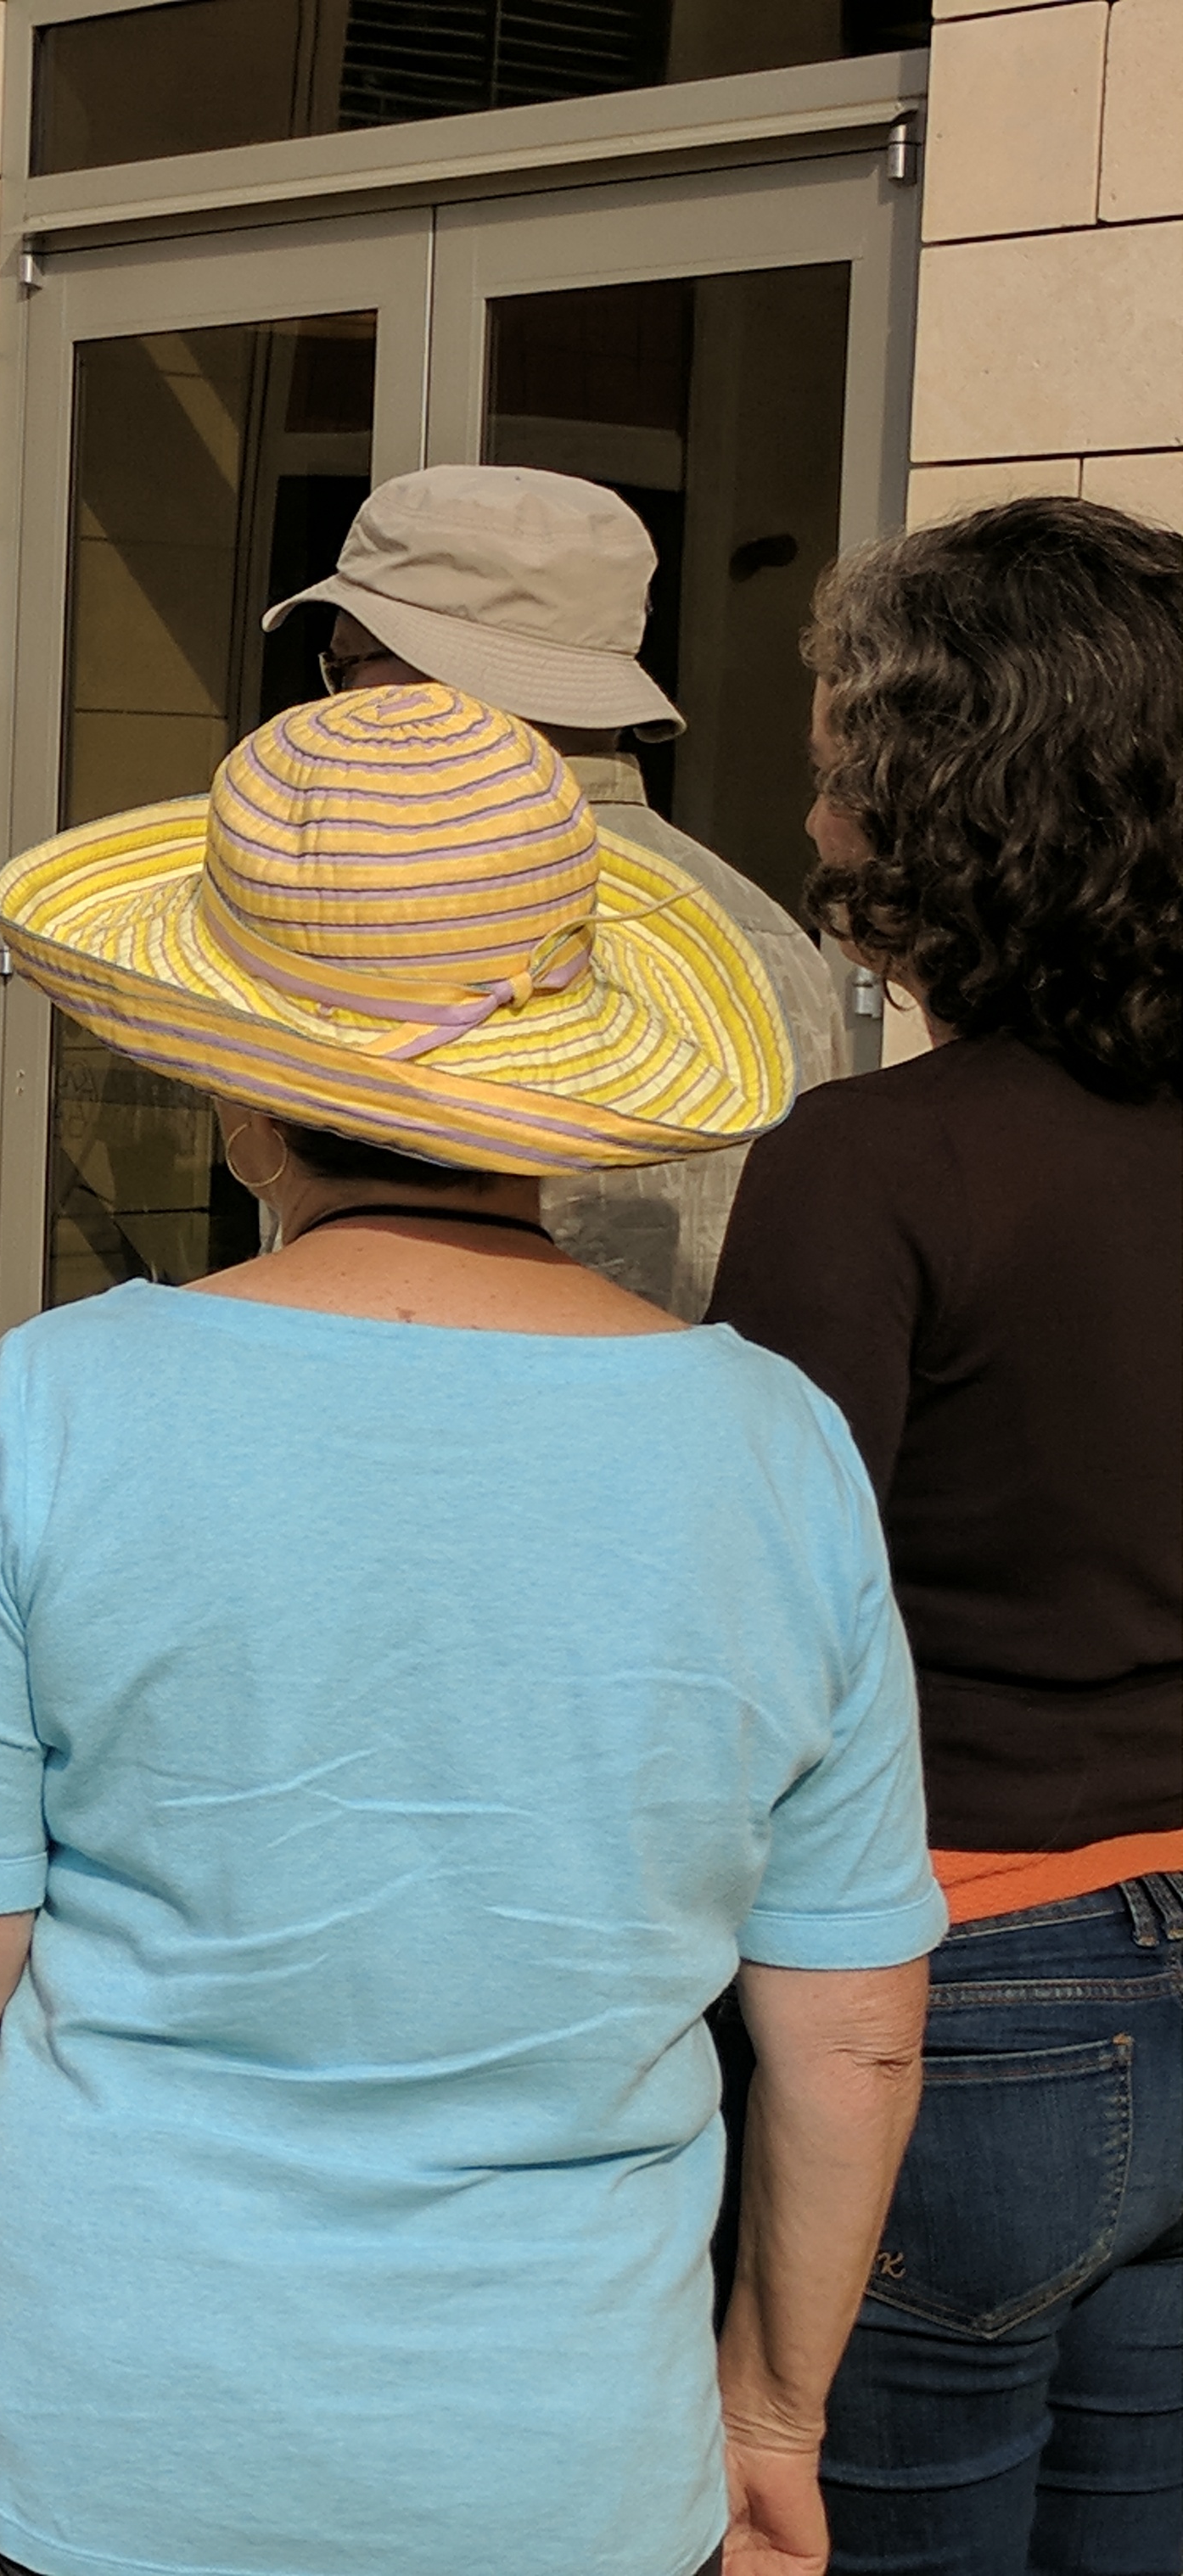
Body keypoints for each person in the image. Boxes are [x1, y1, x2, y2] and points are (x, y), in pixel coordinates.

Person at [0, 686, 944, 2576]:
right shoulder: (773, 1448)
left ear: (228, 1072)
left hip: (78, 2425)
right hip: (559, 2461)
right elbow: (850, 2033)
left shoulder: (62, 1400)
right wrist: (774, 2415)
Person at [703, 496, 1183, 2576]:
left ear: (937, 806)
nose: (815, 815)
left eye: (836, 765)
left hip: (957, 1996)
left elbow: (739, 1647)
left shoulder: (869, 1168)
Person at [272, 463, 844, 1316]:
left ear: (422, 679)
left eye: (347, 663)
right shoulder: (762, 932)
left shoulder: (402, 913)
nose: (335, 701)